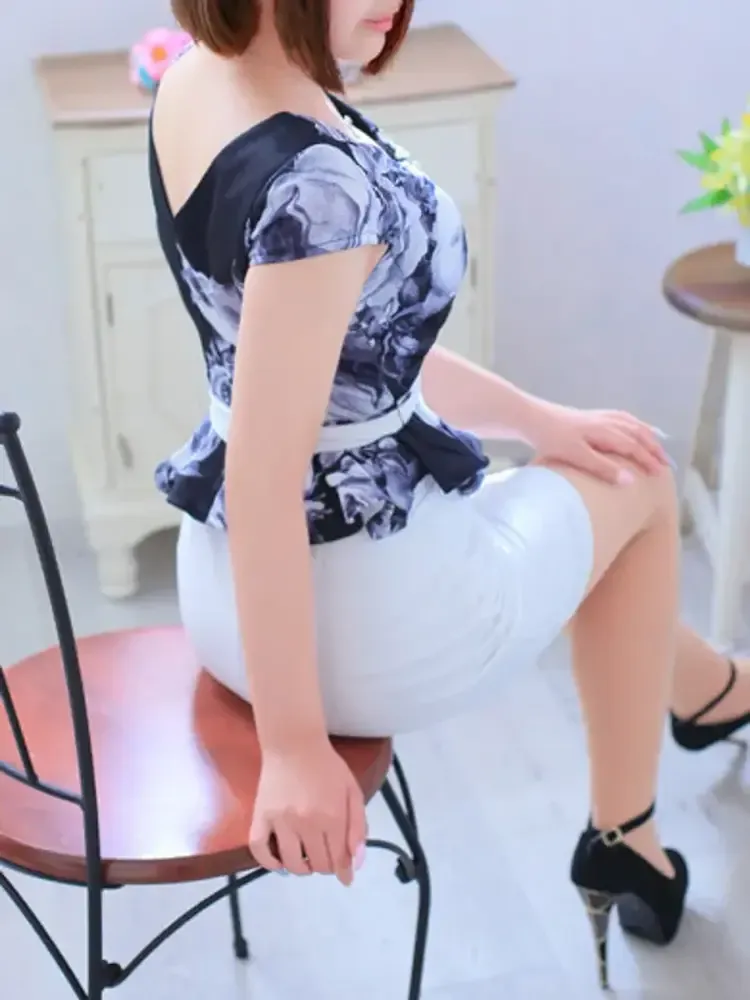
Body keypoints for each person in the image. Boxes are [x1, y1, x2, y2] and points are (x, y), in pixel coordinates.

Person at [149, 0, 750, 985]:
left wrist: (538, 420)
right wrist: (295, 749)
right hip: (361, 626)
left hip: (224, 596)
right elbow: (267, 481)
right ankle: (629, 837)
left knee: (588, 481)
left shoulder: (194, 80)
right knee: (641, 480)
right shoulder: (320, 187)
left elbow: (345, 355)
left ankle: (709, 690)